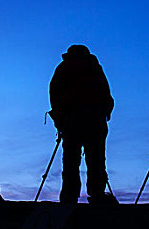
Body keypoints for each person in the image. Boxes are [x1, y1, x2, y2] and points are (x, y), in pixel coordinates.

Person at [49, 45, 115, 204]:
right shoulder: (94, 67)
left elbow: (54, 94)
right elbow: (106, 93)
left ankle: (69, 196)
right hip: (95, 119)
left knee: (71, 159)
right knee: (96, 158)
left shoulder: (64, 67)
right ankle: (97, 194)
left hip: (72, 119)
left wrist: (59, 120)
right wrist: (105, 113)